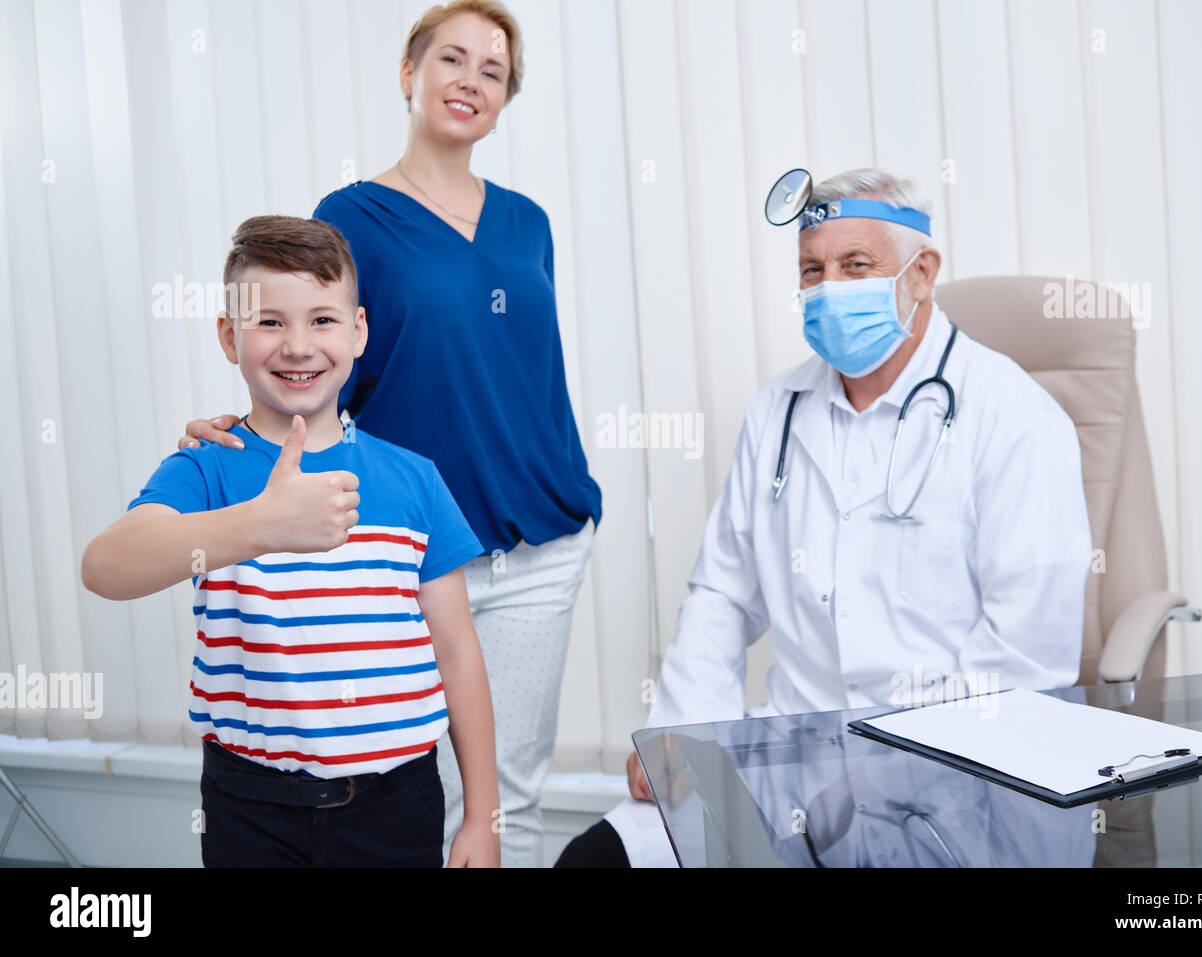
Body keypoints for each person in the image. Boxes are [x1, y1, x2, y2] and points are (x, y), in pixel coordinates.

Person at [555, 167, 1093, 867]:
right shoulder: (777, 411)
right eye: (812, 269)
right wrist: (678, 731)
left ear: (922, 272)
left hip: (959, 788)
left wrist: (870, 776)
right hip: (794, 758)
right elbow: (724, 590)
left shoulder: (1015, 419)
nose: (829, 287)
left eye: (855, 265)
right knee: (593, 861)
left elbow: (1023, 660)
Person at [178, 1, 600, 867]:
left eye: (493, 70)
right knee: (408, 781)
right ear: (409, 75)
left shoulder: (529, 223)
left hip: (539, 542)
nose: (471, 81)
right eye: (453, 59)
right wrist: (243, 431)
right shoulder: (352, 214)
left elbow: (524, 370)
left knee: (503, 801)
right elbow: (308, 346)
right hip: (404, 543)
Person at [82, 215, 499, 867]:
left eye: (322, 320)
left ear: (358, 330)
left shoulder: (414, 480)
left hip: (398, 802)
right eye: (269, 321)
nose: (297, 344)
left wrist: (481, 814)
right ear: (229, 335)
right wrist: (259, 524)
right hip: (251, 807)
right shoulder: (207, 467)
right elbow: (105, 566)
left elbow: (458, 652)